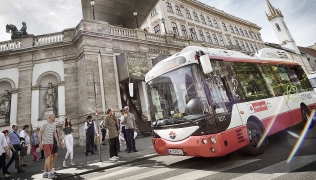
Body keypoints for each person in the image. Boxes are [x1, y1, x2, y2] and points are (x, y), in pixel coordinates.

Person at [39, 113, 59, 179]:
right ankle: (50, 173)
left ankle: (45, 172)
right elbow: (40, 134)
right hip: (46, 143)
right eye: (53, 116)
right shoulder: (44, 124)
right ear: (50, 116)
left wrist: (57, 141)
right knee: (49, 157)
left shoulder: (53, 125)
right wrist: (41, 143)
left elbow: (55, 134)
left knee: (48, 158)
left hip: (51, 143)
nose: (54, 117)